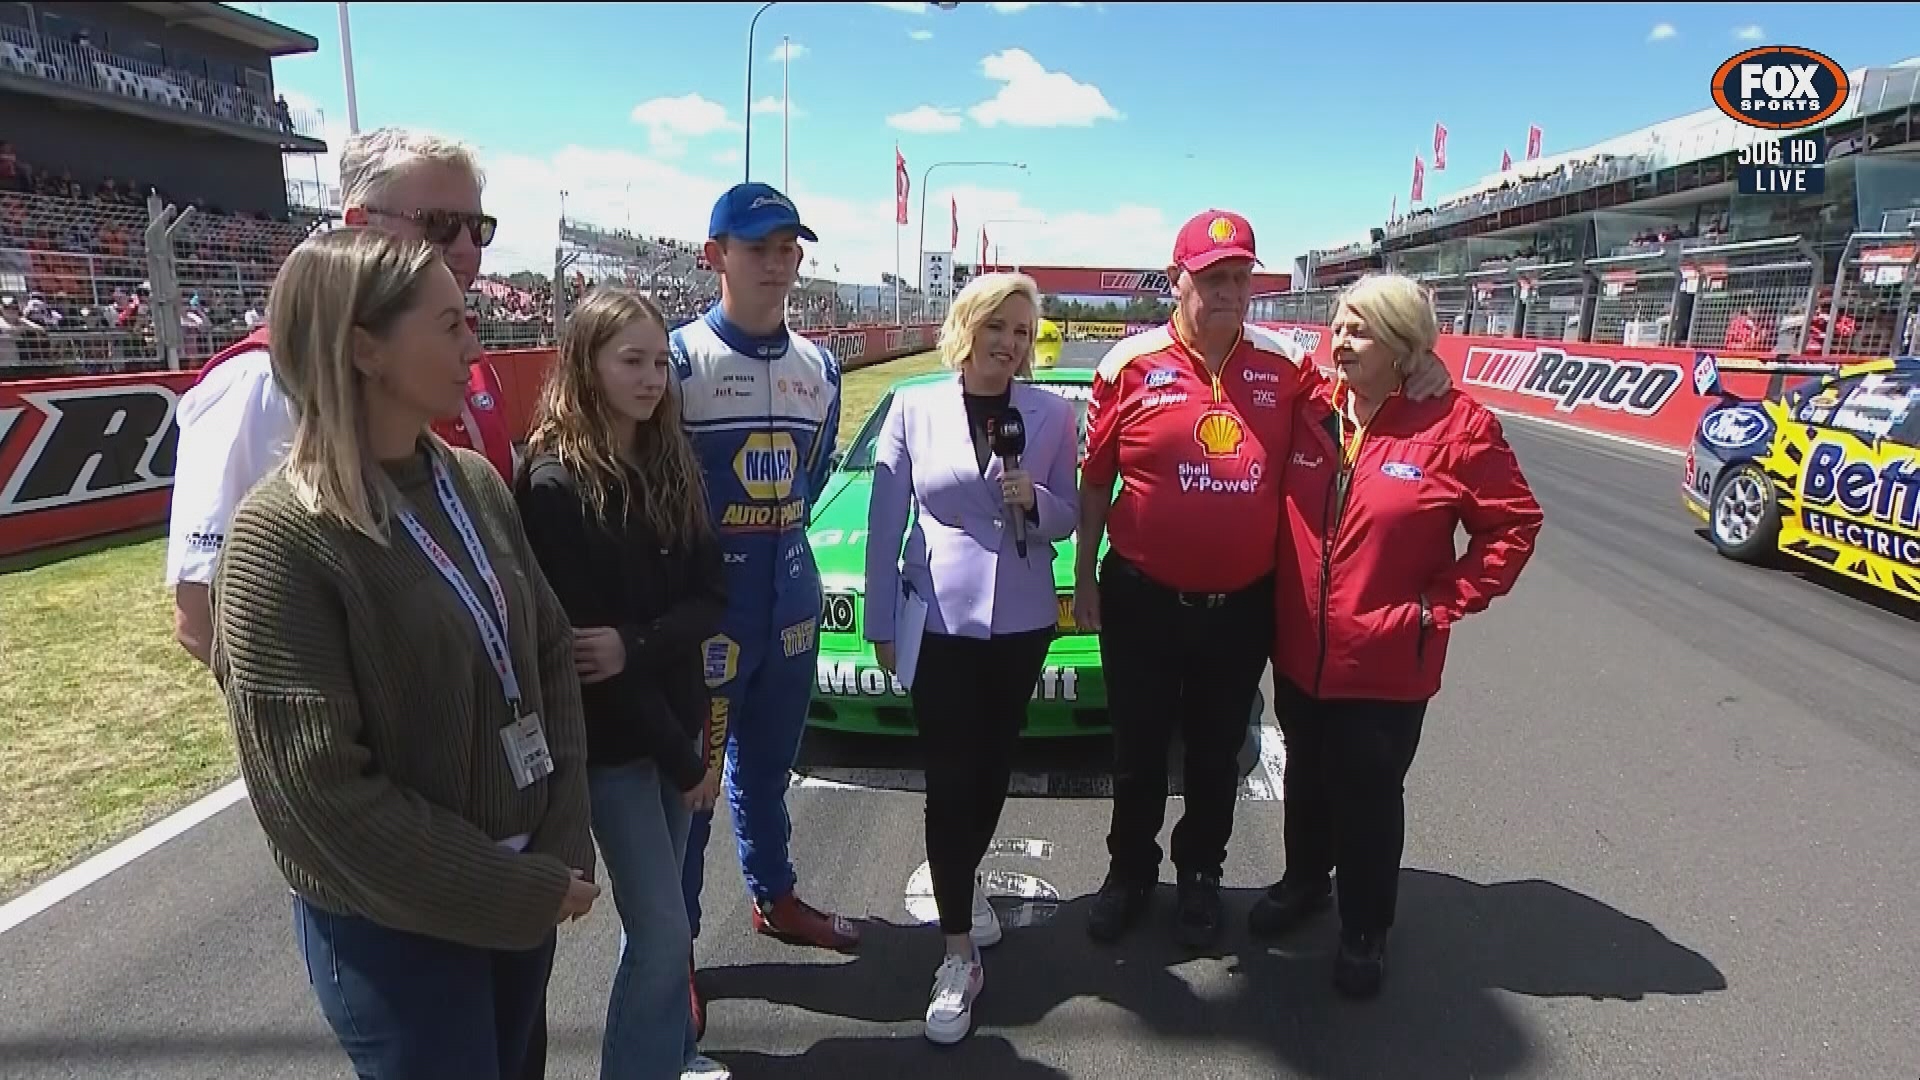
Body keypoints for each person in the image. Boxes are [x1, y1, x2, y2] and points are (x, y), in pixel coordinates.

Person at [208, 227, 598, 1079]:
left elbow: (547, 650)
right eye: (451, 325)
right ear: (364, 348)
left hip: (522, 894)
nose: (476, 345)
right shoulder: (279, 540)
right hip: (398, 930)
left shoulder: (474, 480)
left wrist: (563, 831)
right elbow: (322, 800)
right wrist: (518, 893)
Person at [1073, 209, 1453, 950]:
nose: (1229, 291)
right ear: (1177, 280)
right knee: (1139, 751)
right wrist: (1085, 577)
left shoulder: (1287, 364)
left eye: (1241, 277)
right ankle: (1129, 874)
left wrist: (1420, 367)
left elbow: (1360, 402)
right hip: (1141, 598)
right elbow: (1095, 482)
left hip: (1241, 607)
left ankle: (1200, 876)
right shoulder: (1128, 364)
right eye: (1212, 278)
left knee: (1217, 755)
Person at [1251, 273, 1542, 999]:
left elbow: (1512, 526)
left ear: (1404, 346)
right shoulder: (1310, 407)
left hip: (1387, 660)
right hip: (1300, 652)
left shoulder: (1456, 425)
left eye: (1359, 331)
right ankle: (1304, 882)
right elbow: (1234, 350)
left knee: (1369, 795)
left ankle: (1364, 927)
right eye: (1337, 326)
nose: (1340, 341)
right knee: (1306, 780)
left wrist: (1439, 604)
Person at [168, 127, 512, 666]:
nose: (467, 250)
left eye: (477, 227)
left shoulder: (468, 369)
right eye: (440, 225)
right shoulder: (261, 382)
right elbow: (203, 614)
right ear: (359, 227)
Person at [514, 287, 732, 1080]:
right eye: (630, 361)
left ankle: (671, 1052)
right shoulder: (552, 484)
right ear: (586, 364)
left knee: (663, 923)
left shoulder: (671, 457)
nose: (650, 380)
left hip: (674, 719)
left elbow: (712, 597)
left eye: (659, 364)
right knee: (665, 930)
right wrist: (685, 760)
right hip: (613, 745)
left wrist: (640, 646)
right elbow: (587, 662)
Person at [861, 273, 1081, 1044]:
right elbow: (887, 521)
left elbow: (1070, 513)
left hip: (1020, 622)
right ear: (969, 327)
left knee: (991, 768)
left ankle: (965, 878)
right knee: (949, 776)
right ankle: (958, 952)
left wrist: (1036, 500)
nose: (1011, 345)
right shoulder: (913, 407)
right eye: (999, 328)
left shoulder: (1054, 414)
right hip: (941, 620)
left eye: (1023, 333)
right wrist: (880, 624)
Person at [670, 182, 857, 1031]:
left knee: (768, 772)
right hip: (705, 619)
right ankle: (673, 952)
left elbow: (809, 484)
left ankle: (774, 895)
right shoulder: (674, 362)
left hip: (790, 605)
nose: (777, 263)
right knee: (692, 791)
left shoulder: (821, 367)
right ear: (716, 257)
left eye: (789, 248)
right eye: (758, 248)